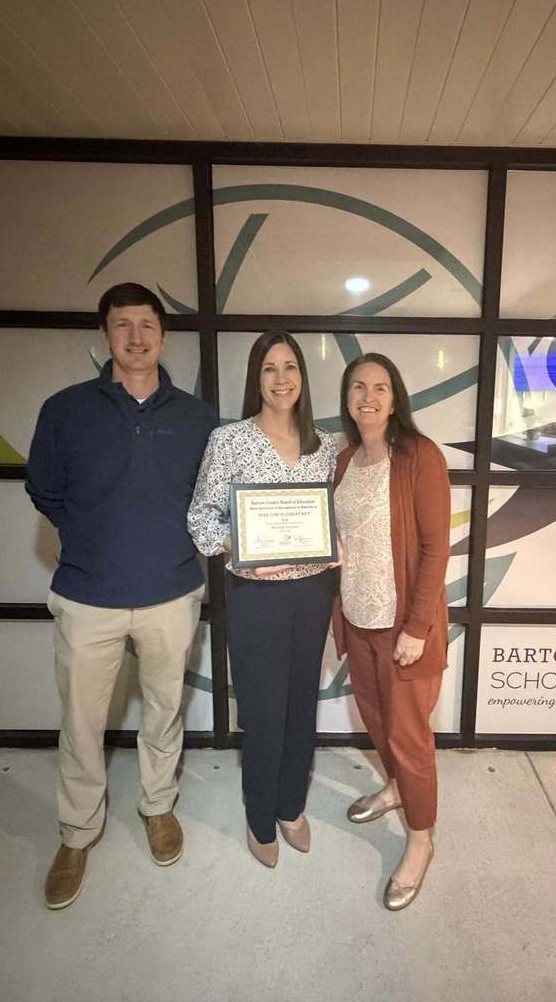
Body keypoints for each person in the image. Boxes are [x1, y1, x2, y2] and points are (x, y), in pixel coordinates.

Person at [26, 282, 217, 909]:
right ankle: (77, 832)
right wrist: (89, 536)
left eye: (146, 325)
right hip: (87, 593)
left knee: (164, 709)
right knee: (82, 721)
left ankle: (158, 806)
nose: (135, 336)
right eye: (121, 325)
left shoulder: (196, 417)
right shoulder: (64, 409)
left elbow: (208, 499)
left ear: (163, 337)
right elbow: (44, 490)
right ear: (105, 336)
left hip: (171, 589)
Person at [188, 331, 337, 867]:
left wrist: (335, 539)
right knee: (263, 709)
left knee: (302, 706)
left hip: (314, 592)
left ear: (302, 375)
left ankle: (291, 805)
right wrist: (241, 546)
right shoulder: (229, 441)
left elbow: (330, 517)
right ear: (257, 378)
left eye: (290, 367)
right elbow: (202, 516)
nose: (281, 379)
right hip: (255, 595)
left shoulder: (325, 445)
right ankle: (259, 818)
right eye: (270, 368)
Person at [332, 353, 450, 910]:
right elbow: (344, 535)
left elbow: (435, 548)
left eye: (380, 386)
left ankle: (420, 841)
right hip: (358, 619)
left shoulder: (419, 456)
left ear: (395, 397)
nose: (368, 396)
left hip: (405, 628)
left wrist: (418, 626)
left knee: (409, 737)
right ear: (347, 398)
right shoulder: (345, 460)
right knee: (377, 721)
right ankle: (397, 788)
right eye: (358, 386)